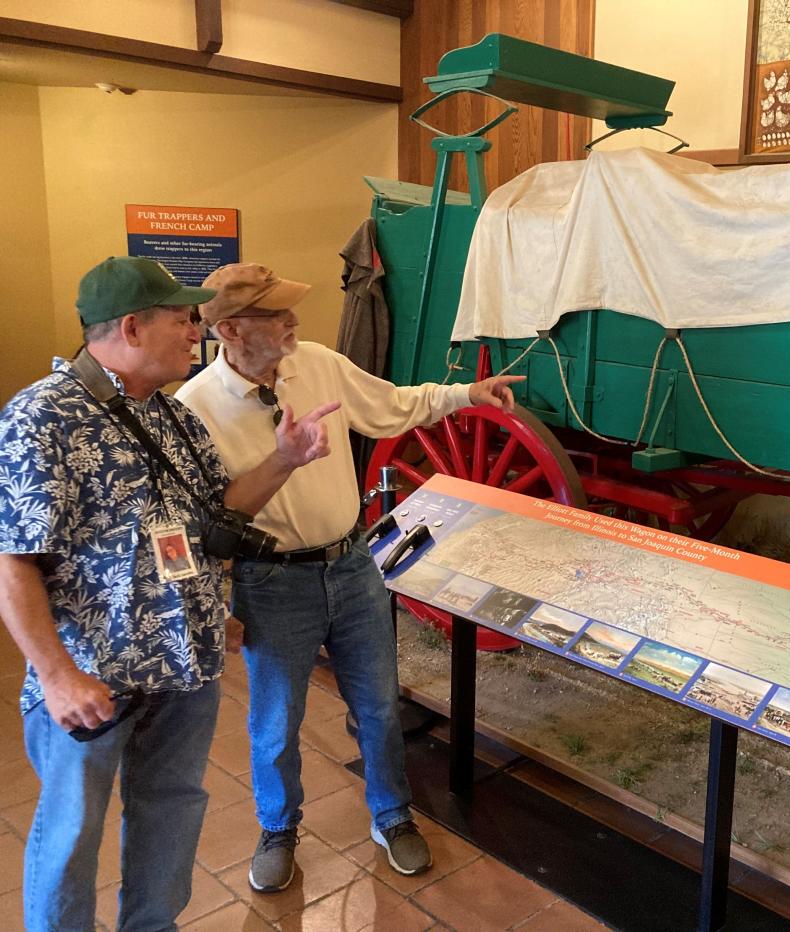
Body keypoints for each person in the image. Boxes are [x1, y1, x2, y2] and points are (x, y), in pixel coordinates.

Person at [0, 256, 340, 932]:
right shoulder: (43, 417)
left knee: (172, 812)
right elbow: (14, 564)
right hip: (93, 681)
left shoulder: (173, 419)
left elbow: (218, 516)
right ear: (131, 326)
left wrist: (283, 460)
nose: (198, 333)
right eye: (185, 320)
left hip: (185, 671)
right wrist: (58, 676)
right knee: (72, 836)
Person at [175, 262, 523, 892]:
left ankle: (391, 815)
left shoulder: (318, 363)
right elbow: (203, 520)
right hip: (272, 583)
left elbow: (390, 406)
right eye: (274, 314)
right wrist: (210, 600)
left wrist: (466, 395)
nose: (292, 322)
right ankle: (277, 828)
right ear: (229, 330)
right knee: (276, 721)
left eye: (289, 311)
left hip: (354, 566)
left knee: (379, 705)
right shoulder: (194, 409)